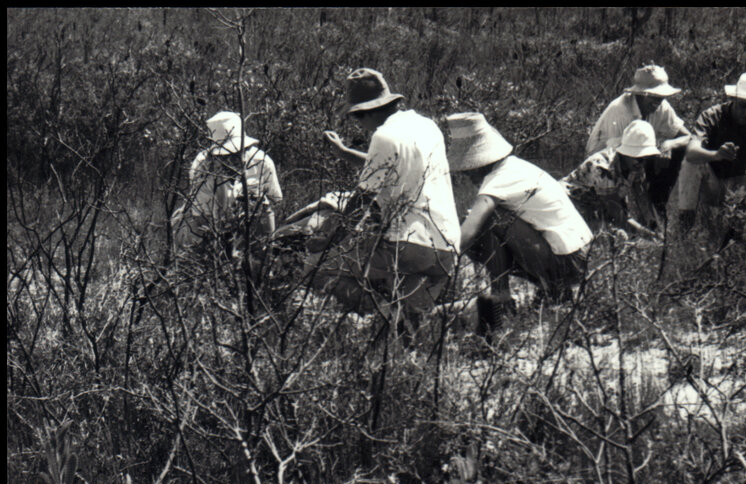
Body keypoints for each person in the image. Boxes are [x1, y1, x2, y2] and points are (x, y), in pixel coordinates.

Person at [290, 68, 461, 321]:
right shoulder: (427, 125)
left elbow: (360, 202)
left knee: (314, 268)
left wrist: (329, 241)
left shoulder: (383, 136)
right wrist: (344, 152)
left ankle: (385, 317)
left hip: (407, 247)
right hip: (447, 245)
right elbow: (398, 165)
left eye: (357, 118)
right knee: (413, 309)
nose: (360, 125)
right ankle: (435, 317)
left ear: (364, 112)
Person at [446, 112, 593, 335]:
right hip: (579, 256)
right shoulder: (514, 167)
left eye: (467, 169)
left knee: (488, 220)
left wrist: (441, 260)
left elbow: (469, 230)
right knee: (486, 222)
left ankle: (502, 299)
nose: (467, 176)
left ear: (478, 162)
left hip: (569, 262)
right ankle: (552, 290)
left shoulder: (498, 181)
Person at [676, 73, 746, 237]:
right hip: (713, 184)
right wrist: (716, 155)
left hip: (743, 185)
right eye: (743, 105)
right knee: (691, 164)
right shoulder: (713, 115)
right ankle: (685, 225)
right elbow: (691, 152)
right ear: (734, 100)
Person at [175, 110, 283, 256]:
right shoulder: (201, 167)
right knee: (196, 246)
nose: (235, 158)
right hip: (210, 223)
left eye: (240, 151)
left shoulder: (262, 162)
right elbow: (201, 217)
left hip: (250, 222)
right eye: (228, 154)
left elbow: (274, 199)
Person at [586, 64, 692, 211]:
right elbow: (615, 158)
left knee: (678, 151)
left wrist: (670, 144)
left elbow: (688, 137)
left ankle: (658, 206)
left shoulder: (661, 106)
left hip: (633, 158)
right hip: (604, 165)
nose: (658, 102)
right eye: (653, 97)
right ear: (641, 93)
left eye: (661, 97)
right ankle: (632, 211)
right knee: (617, 211)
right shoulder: (621, 111)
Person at [563, 119, 664, 235]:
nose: (642, 163)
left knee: (618, 233)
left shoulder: (636, 166)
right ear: (625, 153)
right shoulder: (603, 168)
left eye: (647, 158)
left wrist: (654, 228)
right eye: (639, 158)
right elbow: (615, 212)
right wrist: (644, 233)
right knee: (611, 234)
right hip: (569, 205)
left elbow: (642, 199)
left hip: (595, 204)